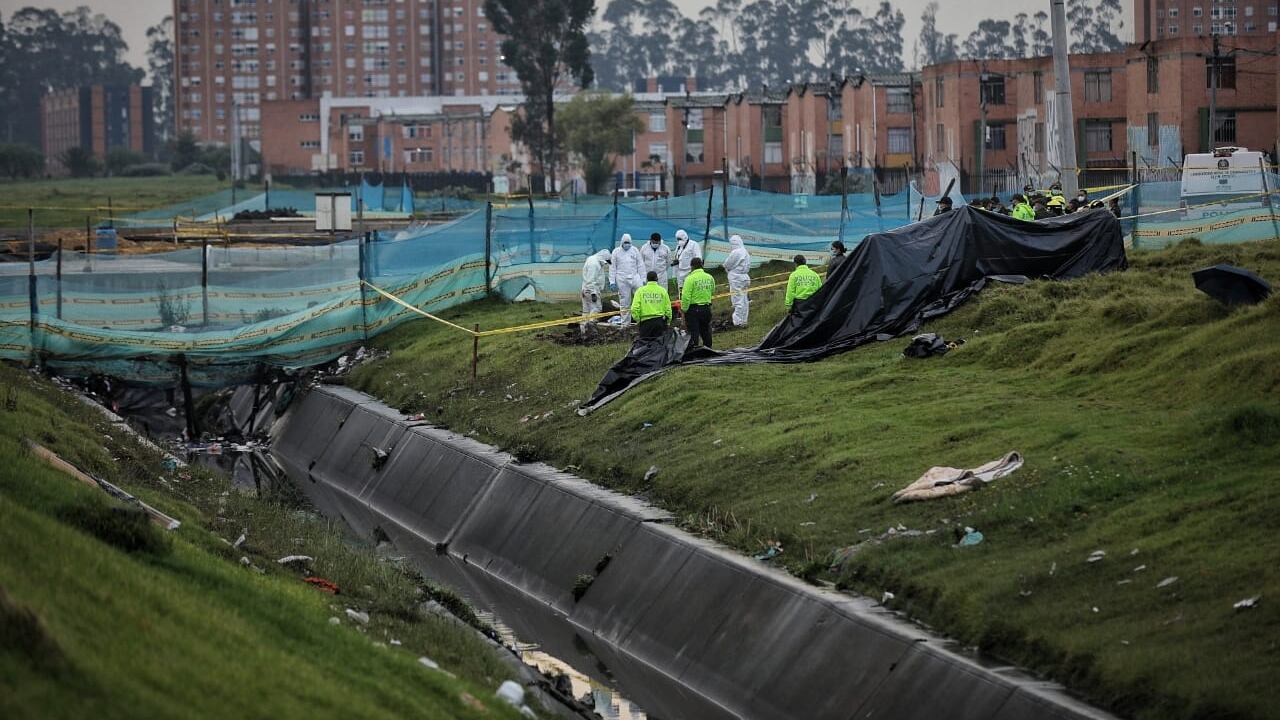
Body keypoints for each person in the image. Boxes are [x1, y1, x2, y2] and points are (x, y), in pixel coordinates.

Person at [680, 257, 716, 348]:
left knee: (693, 332)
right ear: (702, 265)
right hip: (706, 308)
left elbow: (685, 296)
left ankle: (693, 351)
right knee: (706, 331)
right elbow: (712, 290)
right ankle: (708, 350)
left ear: (691, 267)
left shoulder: (690, 279)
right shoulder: (709, 277)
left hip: (693, 309)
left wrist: (684, 309)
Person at [610, 234, 644, 325]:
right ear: (622, 242)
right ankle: (625, 324)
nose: (627, 244)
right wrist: (612, 282)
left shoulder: (635, 250)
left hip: (635, 277)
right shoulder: (616, 252)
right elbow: (612, 267)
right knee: (624, 302)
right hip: (622, 279)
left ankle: (641, 321)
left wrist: (643, 278)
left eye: (628, 243)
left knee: (640, 299)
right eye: (625, 243)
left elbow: (640, 265)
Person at [630, 270, 672, 339]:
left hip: (645, 322)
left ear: (647, 279)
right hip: (659, 321)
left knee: (645, 346)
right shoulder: (662, 291)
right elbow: (668, 309)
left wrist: (638, 320)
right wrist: (668, 322)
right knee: (659, 345)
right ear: (657, 279)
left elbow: (634, 308)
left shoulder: (640, 291)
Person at [723, 234, 751, 327]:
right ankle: (743, 320)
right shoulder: (745, 251)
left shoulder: (736, 252)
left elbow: (728, 264)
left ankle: (738, 322)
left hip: (736, 278)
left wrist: (726, 267)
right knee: (744, 300)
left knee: (737, 299)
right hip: (744, 277)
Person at [580, 249, 611, 331]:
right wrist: (593, 293)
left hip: (585, 289)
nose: (605, 264)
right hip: (591, 291)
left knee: (586, 311)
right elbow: (591, 280)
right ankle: (590, 328)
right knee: (596, 308)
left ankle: (583, 331)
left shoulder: (592, 259)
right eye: (606, 262)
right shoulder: (594, 264)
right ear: (603, 258)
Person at [672, 228, 702, 294]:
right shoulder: (678, 247)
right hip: (680, 274)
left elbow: (698, 259)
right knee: (682, 293)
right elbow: (675, 262)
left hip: (690, 273)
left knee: (692, 292)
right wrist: (674, 275)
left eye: (680, 239)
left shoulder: (694, 245)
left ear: (685, 237)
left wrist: (696, 273)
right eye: (677, 239)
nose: (679, 241)